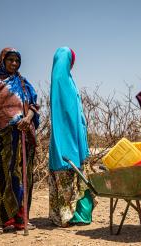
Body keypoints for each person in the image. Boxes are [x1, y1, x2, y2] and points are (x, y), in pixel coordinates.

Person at [0, 47, 40, 234]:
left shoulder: (24, 83)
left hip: (24, 136)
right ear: (3, 60)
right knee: (2, 176)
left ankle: (21, 219)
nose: (14, 64)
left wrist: (28, 118)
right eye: (10, 60)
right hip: (3, 138)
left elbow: (34, 104)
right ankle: (0, 221)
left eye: (17, 61)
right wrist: (16, 119)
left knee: (23, 177)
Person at [48, 47, 94, 227]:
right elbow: (65, 116)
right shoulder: (62, 82)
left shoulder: (66, 80)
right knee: (72, 174)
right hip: (68, 138)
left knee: (75, 175)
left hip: (72, 137)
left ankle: (67, 215)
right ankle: (72, 215)